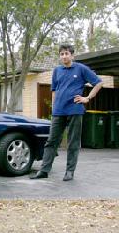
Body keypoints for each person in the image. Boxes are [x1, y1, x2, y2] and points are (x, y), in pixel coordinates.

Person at [30, 44, 103, 181]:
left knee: (72, 142)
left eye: (66, 54)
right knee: (51, 141)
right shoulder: (57, 70)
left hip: (75, 110)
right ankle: (44, 170)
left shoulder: (81, 69)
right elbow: (54, 90)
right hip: (58, 111)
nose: (64, 56)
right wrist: (54, 106)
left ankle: (70, 171)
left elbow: (98, 83)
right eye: (62, 54)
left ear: (72, 55)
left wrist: (87, 98)